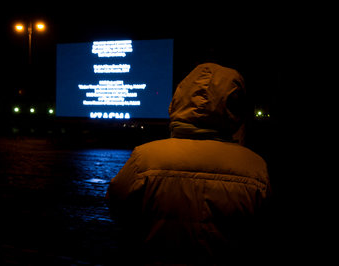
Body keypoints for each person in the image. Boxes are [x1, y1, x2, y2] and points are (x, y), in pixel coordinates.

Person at [106, 63, 271, 264]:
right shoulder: (255, 168)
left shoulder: (145, 158)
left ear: (179, 100)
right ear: (233, 104)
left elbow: (117, 206)